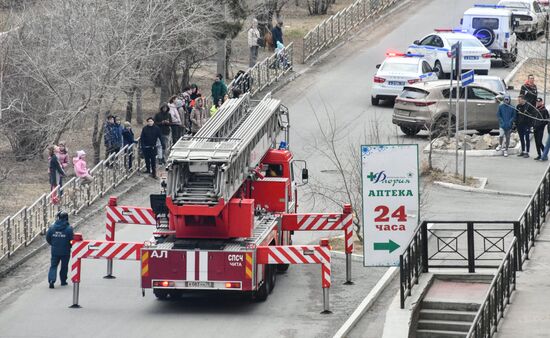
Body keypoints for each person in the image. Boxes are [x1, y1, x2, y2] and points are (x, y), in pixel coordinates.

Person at [46, 210, 74, 289]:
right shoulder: (69, 229)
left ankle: (51, 280)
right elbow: (72, 240)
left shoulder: (52, 228)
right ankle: (63, 281)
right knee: (64, 267)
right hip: (65, 252)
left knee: (53, 266)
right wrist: (70, 245)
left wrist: (53, 244)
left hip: (55, 251)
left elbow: (48, 238)